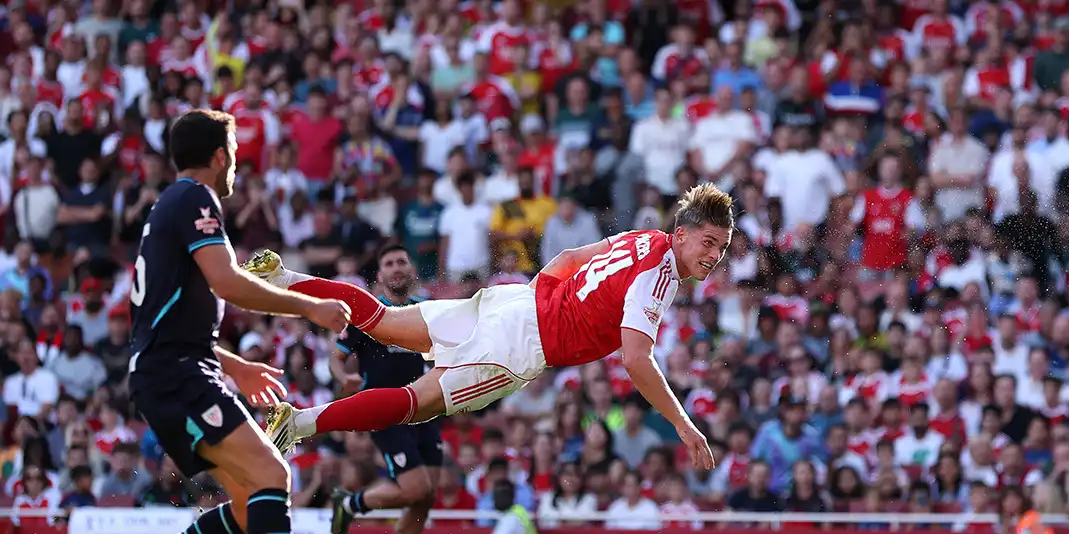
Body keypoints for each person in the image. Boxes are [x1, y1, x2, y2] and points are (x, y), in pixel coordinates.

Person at [250, 183, 735, 470]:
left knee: (385, 323)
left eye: (722, 249)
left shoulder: (641, 238)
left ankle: (282, 277)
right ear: (682, 233)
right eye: (708, 243)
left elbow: (565, 259)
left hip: (516, 302)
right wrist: (683, 424)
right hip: (520, 343)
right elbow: (635, 358)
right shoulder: (663, 273)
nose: (713, 257)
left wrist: (540, 303)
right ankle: (298, 422)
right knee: (416, 405)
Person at [109, 109, 351, 534]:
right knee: (274, 475)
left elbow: (166, 314)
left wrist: (233, 363)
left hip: (177, 366)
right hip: (176, 374)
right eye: (235, 151)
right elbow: (227, 281)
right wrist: (307, 307)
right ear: (221, 155)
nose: (236, 161)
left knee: (249, 503)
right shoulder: (196, 198)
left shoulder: (165, 207)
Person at [327, 245, 444, 534]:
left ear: (411, 271)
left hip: (427, 407)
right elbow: (335, 357)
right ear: (379, 276)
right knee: (415, 488)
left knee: (427, 495)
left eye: (401, 262)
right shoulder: (367, 314)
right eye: (389, 263)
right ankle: (351, 504)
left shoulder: (427, 312)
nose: (396, 268)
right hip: (384, 411)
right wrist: (344, 378)